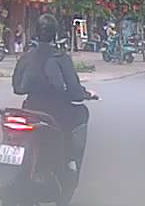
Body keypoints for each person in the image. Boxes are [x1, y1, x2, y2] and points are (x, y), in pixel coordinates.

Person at [12, 14, 98, 167]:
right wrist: (87, 94)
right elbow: (75, 93)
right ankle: (70, 160)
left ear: (36, 32)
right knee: (82, 112)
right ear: (55, 34)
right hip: (56, 112)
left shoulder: (26, 57)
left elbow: (17, 88)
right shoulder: (61, 57)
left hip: (30, 109)